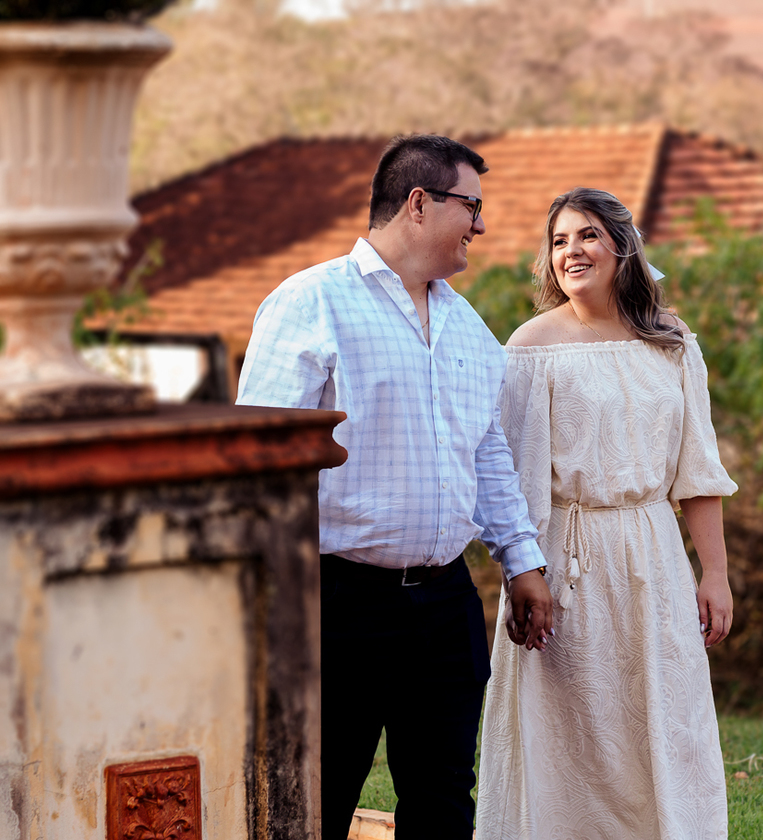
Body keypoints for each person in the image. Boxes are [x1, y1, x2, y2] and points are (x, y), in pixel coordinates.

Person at [236, 134, 555, 840]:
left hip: (445, 603)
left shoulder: (467, 326)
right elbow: (263, 467)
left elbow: (487, 451)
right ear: (419, 203)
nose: (481, 225)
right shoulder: (310, 302)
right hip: (336, 604)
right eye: (471, 206)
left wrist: (523, 562)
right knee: (314, 805)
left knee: (443, 806)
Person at [475, 188, 737, 839]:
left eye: (588, 235)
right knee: (574, 731)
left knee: (667, 721)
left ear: (622, 246)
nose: (572, 251)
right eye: (559, 240)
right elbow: (511, 480)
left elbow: (698, 469)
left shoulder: (671, 339)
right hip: (567, 560)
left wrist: (715, 573)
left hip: (655, 554)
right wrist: (524, 575)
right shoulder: (530, 347)